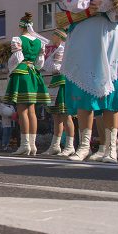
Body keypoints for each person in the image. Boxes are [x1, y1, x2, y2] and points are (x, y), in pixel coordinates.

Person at [59, 0, 118, 163]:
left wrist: (109, 6)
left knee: (111, 98)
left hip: (109, 43)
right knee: (85, 99)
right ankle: (83, 146)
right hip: (85, 45)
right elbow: (75, 5)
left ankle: (110, 147)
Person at [4, 12, 51, 156]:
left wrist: (10, 69)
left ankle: (25, 145)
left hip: (22, 73)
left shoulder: (17, 39)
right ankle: (32, 145)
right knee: (32, 112)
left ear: (20, 26)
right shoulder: (39, 42)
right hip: (33, 73)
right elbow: (39, 63)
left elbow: (17, 58)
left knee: (22, 111)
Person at [40, 29, 75, 157]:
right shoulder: (58, 49)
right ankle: (55, 146)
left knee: (66, 115)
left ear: (59, 37)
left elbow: (57, 67)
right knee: (56, 117)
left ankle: (70, 146)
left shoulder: (62, 49)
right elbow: (49, 67)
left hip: (62, 82)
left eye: (53, 36)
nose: (52, 38)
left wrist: (48, 61)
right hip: (55, 82)